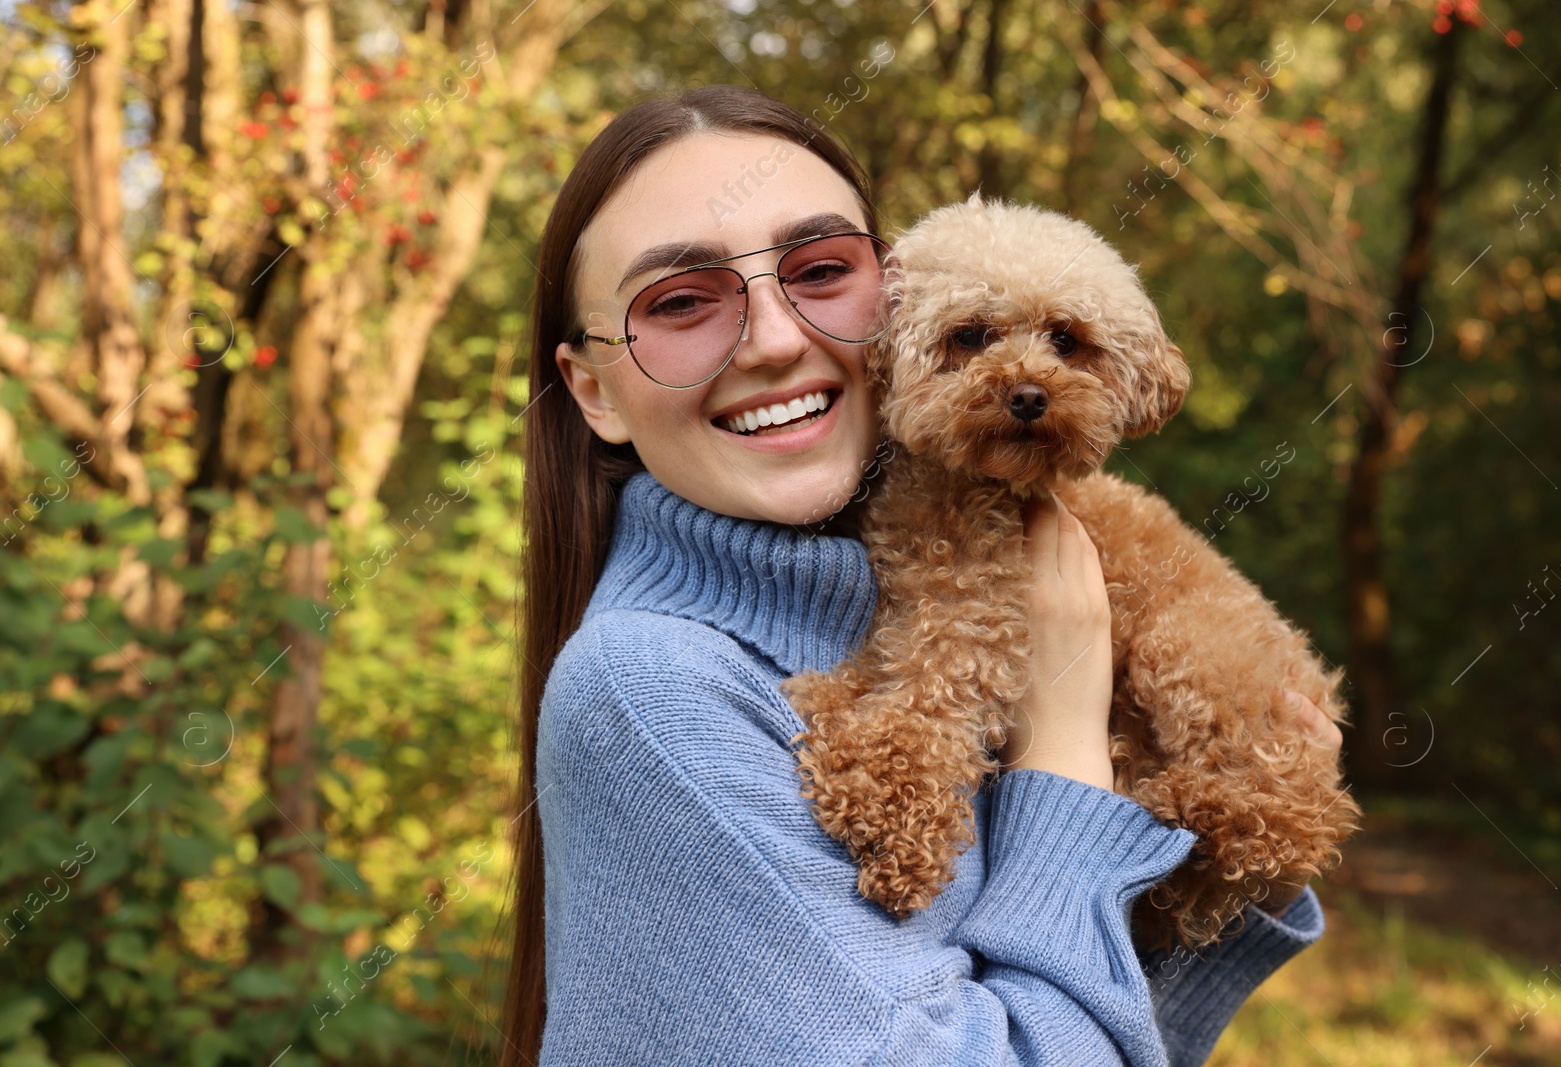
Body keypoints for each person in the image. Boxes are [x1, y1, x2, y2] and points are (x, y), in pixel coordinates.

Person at [503, 84, 1341, 1066]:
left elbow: (1081, 1033)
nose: (773, 338)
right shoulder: (650, 690)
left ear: (883, 299)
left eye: (819, 269)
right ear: (593, 388)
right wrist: (1068, 751)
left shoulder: (881, 594)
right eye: (680, 301)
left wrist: (1226, 876)